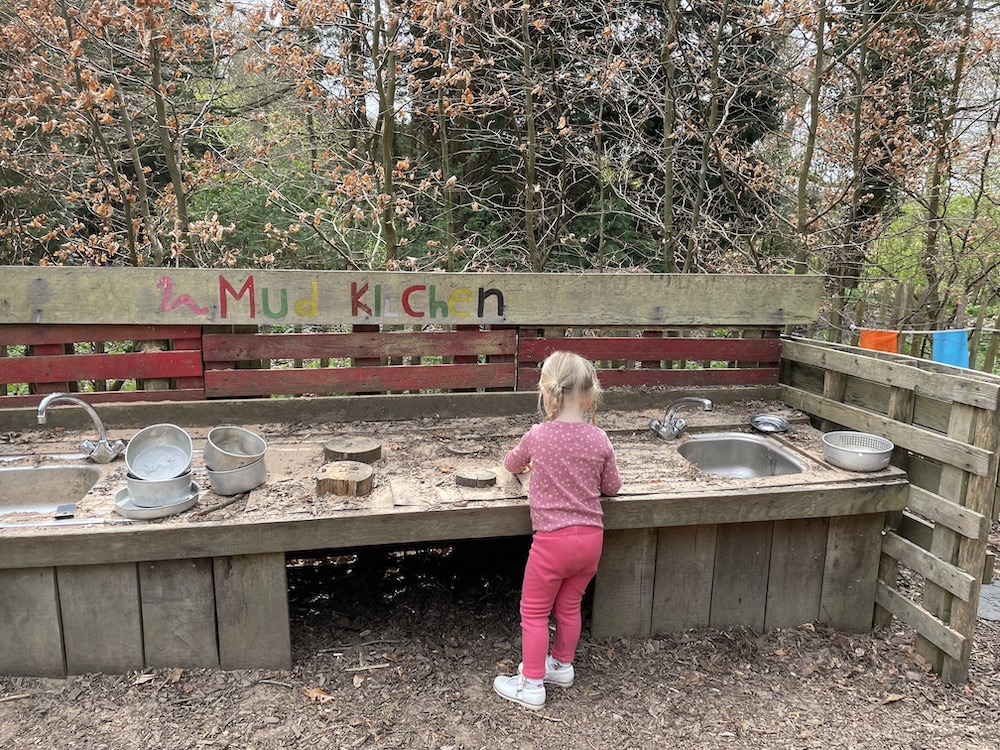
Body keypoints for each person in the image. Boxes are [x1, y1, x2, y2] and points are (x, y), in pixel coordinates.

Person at [493, 350, 622, 710]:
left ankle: (532, 684)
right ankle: (561, 666)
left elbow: (510, 463)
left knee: (533, 612)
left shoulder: (538, 435)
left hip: (552, 542)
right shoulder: (600, 439)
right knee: (570, 606)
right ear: (591, 396)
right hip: (591, 541)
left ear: (548, 393)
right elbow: (612, 487)